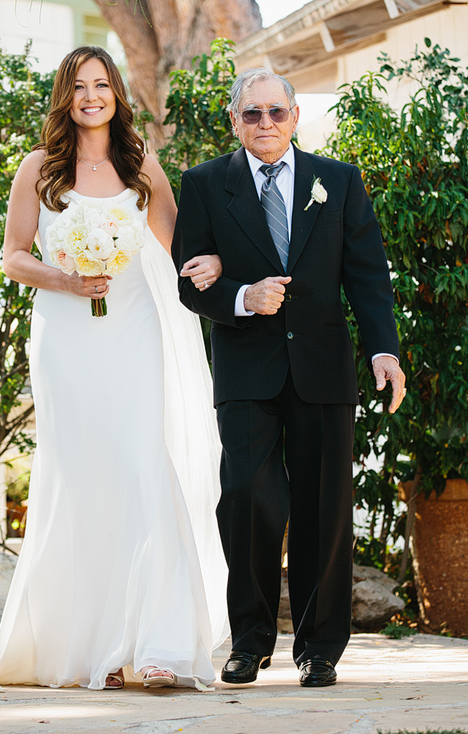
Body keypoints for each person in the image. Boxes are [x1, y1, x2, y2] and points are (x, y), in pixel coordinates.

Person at [0, 45, 229, 690]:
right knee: (82, 475)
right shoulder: (40, 167)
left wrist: (219, 267)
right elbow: (12, 257)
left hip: (135, 327)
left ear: (117, 92)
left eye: (102, 84)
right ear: (66, 96)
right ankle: (93, 650)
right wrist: (65, 279)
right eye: (79, 86)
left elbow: (182, 250)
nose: (92, 95)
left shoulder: (142, 164)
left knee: (144, 465)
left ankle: (158, 647)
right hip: (67, 335)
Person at [175, 68, 405, 688]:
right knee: (248, 498)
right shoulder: (203, 186)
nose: (266, 124)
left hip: (324, 369)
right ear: (234, 120)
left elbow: (367, 277)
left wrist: (385, 352)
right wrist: (244, 296)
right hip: (246, 369)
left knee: (324, 509)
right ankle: (249, 642)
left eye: (277, 112)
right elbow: (189, 281)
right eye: (252, 114)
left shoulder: (340, 180)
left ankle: (320, 649)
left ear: (296, 117)